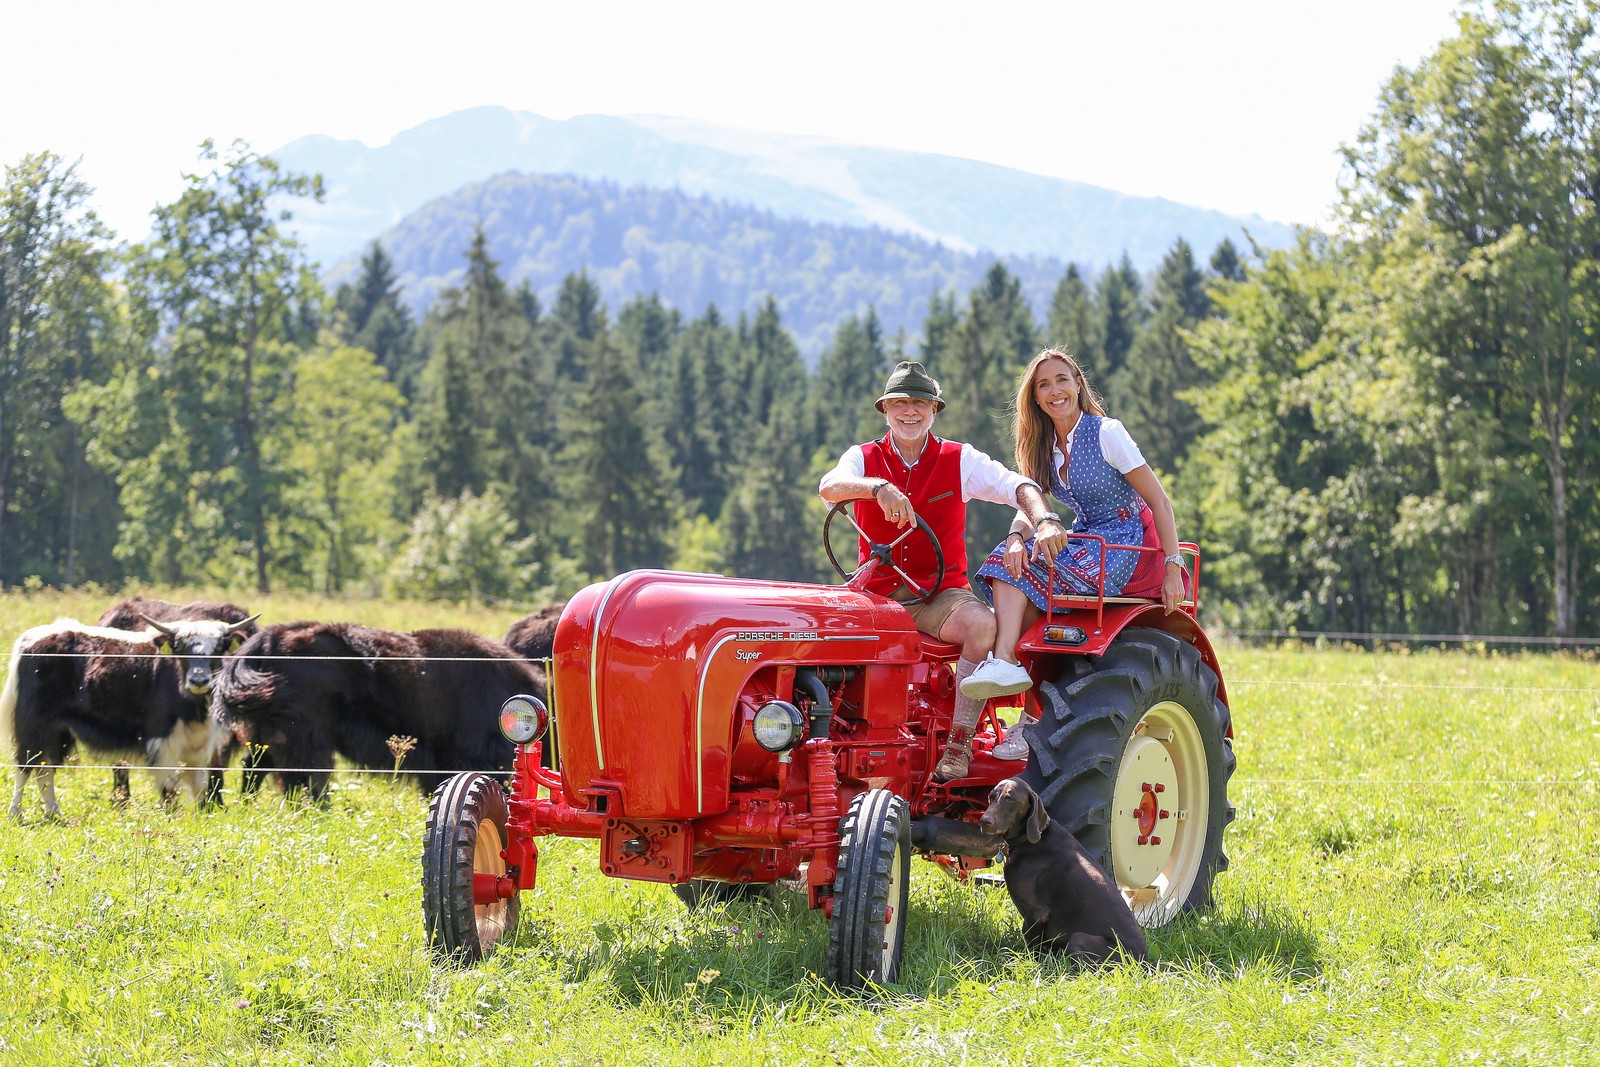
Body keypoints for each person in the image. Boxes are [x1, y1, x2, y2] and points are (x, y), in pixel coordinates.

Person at [819, 360, 1066, 781]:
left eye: (919, 403)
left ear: (935, 410)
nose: (909, 412)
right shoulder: (863, 458)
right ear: (885, 410)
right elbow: (829, 487)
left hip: (938, 596)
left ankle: (958, 744)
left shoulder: (959, 459)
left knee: (982, 626)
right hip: (876, 594)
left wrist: (1042, 520)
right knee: (817, 628)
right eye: (900, 403)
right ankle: (830, 744)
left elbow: (1018, 486)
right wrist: (877, 488)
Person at [962, 348, 1187, 759]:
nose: (1055, 390)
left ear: (1078, 384)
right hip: (1083, 538)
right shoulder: (1045, 447)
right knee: (1006, 561)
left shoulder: (1106, 433)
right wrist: (1016, 537)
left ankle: (1010, 670)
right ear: (1034, 397)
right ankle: (1024, 706)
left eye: (1062, 379)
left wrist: (1173, 565)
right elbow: (1028, 506)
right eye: (1043, 385)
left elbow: (1160, 501)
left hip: (1121, 542)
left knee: (1035, 588)